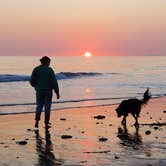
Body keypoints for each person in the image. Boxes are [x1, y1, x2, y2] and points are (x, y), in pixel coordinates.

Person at [30, 56, 60, 128]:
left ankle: (37, 121)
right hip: (48, 91)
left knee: (39, 106)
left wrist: (36, 86)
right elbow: (54, 82)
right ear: (46, 62)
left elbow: (31, 81)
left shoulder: (36, 69)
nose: (49, 63)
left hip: (39, 91)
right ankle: (46, 123)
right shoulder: (49, 70)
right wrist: (57, 92)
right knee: (47, 107)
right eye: (49, 62)